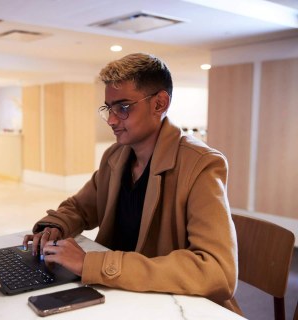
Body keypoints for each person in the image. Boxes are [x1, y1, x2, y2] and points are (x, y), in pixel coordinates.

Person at [23, 53, 238, 312]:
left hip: (173, 306)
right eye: (108, 108)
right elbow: (80, 208)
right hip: (120, 295)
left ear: (159, 104)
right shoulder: (116, 156)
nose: (112, 120)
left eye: (123, 107)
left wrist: (92, 264)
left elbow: (217, 271)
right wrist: (54, 227)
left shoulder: (201, 164)